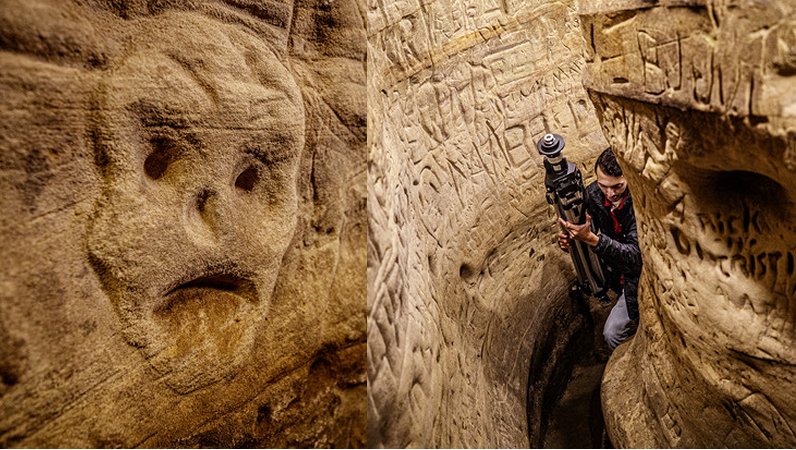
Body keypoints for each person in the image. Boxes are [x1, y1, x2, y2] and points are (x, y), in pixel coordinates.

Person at [557, 148, 643, 350]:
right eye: (603, 185)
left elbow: (635, 257)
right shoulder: (593, 194)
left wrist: (594, 240)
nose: (610, 193)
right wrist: (569, 240)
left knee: (612, 333)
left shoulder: (639, 202)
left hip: (640, 279)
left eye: (617, 187)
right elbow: (581, 227)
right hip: (616, 277)